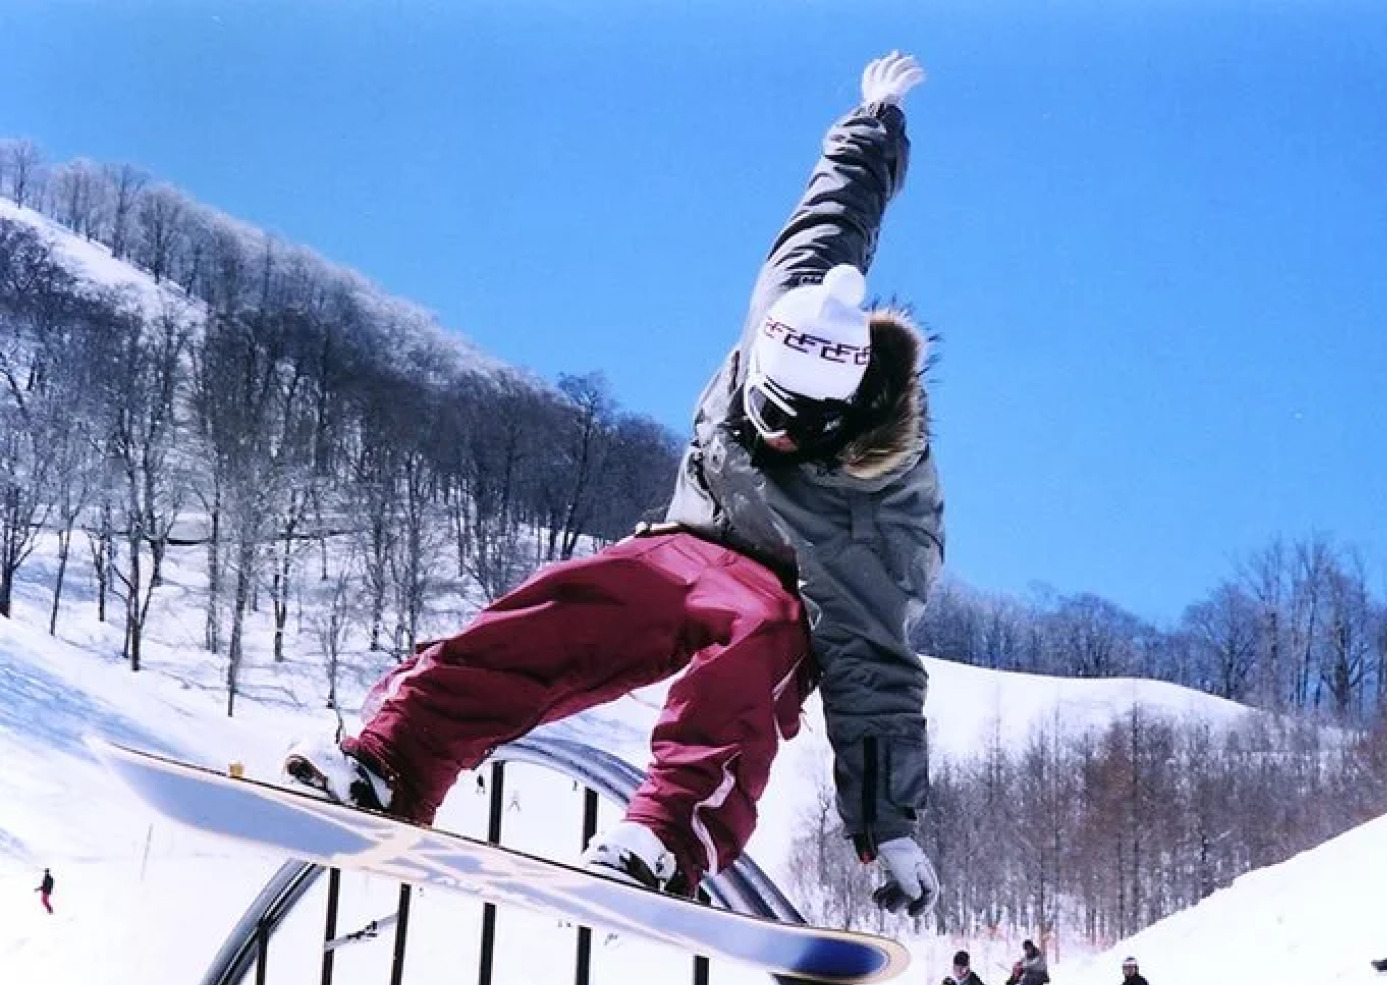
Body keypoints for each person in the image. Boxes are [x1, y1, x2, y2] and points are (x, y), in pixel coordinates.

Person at [286, 51, 944, 914]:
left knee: (756, 642)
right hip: (681, 546)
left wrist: (884, 823)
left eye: (801, 430)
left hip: (786, 600)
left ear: (847, 412)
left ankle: (663, 839)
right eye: (763, 409)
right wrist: (874, 119)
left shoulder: (885, 506)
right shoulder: (789, 295)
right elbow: (834, 210)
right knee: (551, 613)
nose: (775, 434)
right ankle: (391, 761)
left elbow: (877, 668)